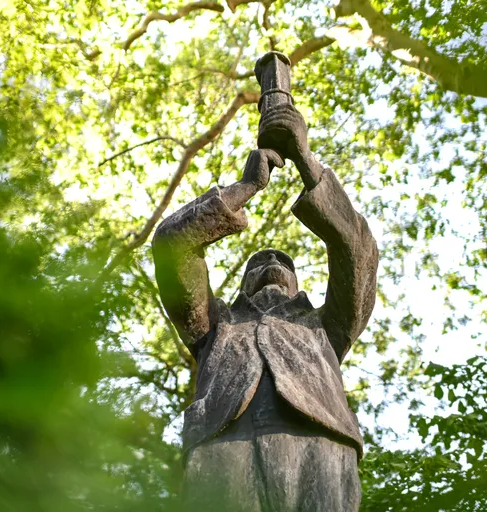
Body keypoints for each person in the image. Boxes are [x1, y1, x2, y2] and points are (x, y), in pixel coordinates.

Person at [152, 103, 378, 511]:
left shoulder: (325, 326)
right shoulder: (215, 325)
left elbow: (359, 251)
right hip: (220, 449)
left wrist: (306, 160)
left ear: (295, 284)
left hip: (320, 447)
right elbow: (172, 246)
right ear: (242, 281)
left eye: (283, 262)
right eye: (258, 261)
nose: (271, 261)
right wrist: (245, 187)